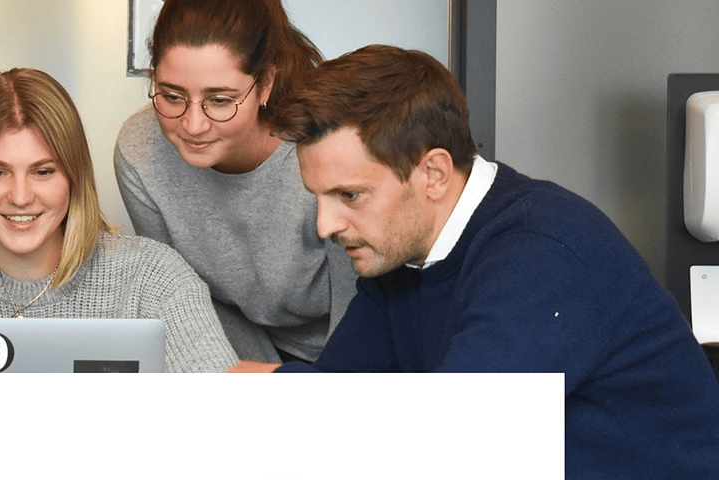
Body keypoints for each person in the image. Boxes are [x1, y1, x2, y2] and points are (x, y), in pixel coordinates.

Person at [236, 44, 719, 478]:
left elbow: (456, 439)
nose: (326, 225)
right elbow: (336, 398)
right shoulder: (400, 257)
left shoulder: (543, 250)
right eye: (318, 197)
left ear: (434, 173)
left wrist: (279, 391)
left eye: (350, 194)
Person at [0, 68, 237, 373]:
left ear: (74, 176)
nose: (20, 197)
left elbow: (229, 425)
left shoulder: (153, 281)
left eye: (43, 172)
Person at [114, 0, 356, 364]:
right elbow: (182, 296)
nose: (193, 125)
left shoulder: (326, 142)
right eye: (172, 96)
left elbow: (363, 299)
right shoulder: (140, 153)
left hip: (358, 350)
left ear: (265, 85)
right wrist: (253, 379)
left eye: (220, 100)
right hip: (239, 357)